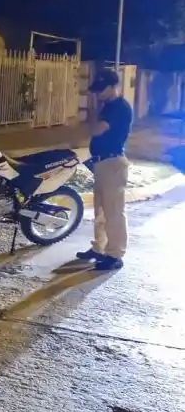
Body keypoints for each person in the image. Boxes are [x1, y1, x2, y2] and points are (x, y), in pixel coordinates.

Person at [76, 68, 132, 270]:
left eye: (101, 89)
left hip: (112, 164)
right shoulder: (108, 106)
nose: (97, 94)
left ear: (112, 86)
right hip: (102, 163)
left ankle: (115, 255)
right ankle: (99, 248)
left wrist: (89, 122)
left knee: (114, 212)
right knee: (100, 210)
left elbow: (98, 130)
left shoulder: (118, 107)